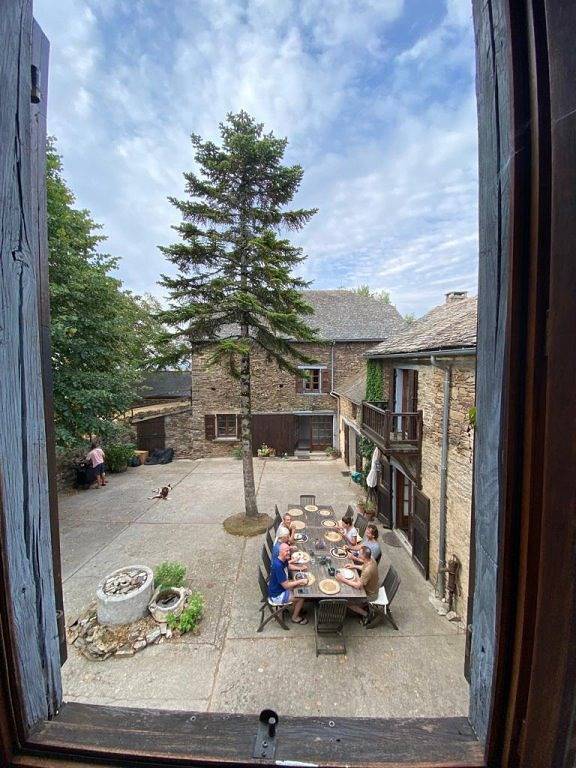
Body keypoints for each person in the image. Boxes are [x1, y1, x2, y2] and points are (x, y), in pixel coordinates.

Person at [335, 545, 379, 622]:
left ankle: (366, 614)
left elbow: (358, 586)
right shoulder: (371, 559)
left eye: (360, 553)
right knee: (353, 578)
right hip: (373, 587)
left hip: (369, 594)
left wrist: (343, 579)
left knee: (346, 600)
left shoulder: (367, 571)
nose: (358, 553)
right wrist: (353, 566)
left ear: (364, 556)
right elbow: (364, 566)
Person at [268, 543, 308, 624]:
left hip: (279, 587)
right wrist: (301, 581)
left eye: (289, 550)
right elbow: (286, 585)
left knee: (298, 586)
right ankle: (295, 617)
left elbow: (288, 566)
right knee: (301, 596)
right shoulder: (278, 566)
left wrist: (300, 568)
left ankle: (296, 608)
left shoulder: (281, 559)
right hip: (277, 595)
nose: (289, 552)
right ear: (280, 552)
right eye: (286, 551)